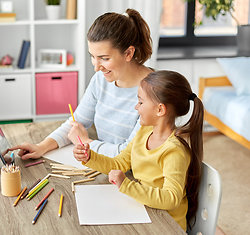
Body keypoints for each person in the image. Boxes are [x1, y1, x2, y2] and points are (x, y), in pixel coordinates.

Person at [9, 8, 153, 159]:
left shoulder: (154, 93)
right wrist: (41, 147)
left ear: (129, 53)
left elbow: (130, 155)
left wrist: (86, 142)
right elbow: (76, 124)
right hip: (105, 166)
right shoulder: (101, 80)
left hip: (132, 177)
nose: (96, 67)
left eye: (104, 58)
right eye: (93, 56)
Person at [73, 70, 204, 231]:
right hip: (144, 210)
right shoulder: (144, 131)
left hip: (166, 225)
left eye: (141, 102)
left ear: (160, 110)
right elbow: (119, 163)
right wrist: (90, 157)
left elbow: (171, 199)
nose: (136, 107)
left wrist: (126, 185)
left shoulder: (174, 152)